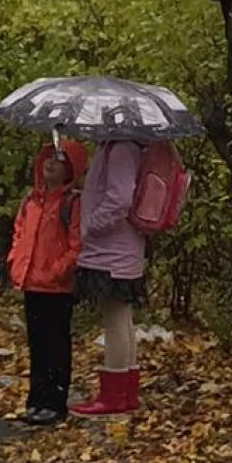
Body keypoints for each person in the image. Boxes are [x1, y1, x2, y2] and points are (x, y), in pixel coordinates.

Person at [8, 139, 87, 425]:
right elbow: (19, 233)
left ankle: (55, 401)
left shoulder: (71, 203)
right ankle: (37, 399)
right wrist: (15, 261)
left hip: (56, 286)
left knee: (56, 345)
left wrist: (57, 271)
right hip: (31, 282)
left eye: (59, 160)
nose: (51, 164)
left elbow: (77, 244)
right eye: (48, 159)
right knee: (37, 344)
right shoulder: (31, 200)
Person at [72, 139, 148, 416]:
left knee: (115, 319)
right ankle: (126, 391)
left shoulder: (120, 149)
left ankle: (113, 395)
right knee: (122, 318)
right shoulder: (121, 147)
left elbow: (119, 199)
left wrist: (90, 226)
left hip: (111, 250)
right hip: (121, 249)